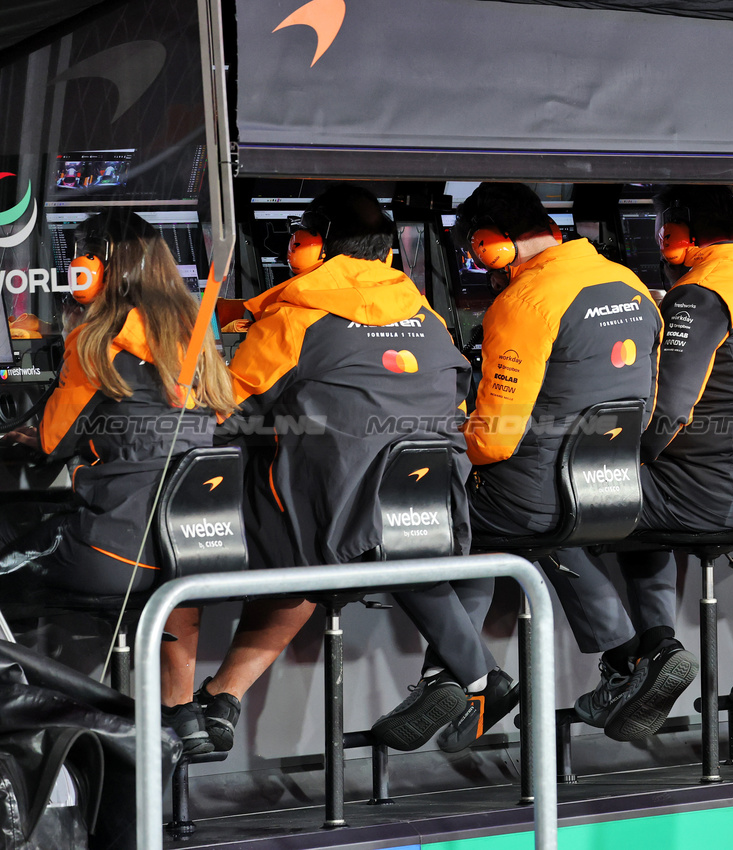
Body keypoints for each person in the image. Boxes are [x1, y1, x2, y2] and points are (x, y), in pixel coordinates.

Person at [175, 184, 476, 755]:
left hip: (325, 531)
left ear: (325, 246)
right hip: (423, 518)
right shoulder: (429, 318)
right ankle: (224, 697)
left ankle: (176, 717)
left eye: (297, 238)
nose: (289, 249)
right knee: (298, 526)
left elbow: (222, 409)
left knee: (183, 523)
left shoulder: (295, 321)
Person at [554, 184, 733, 726]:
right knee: (645, 495)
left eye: (662, 230)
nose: (660, 243)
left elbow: (669, 408)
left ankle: (642, 659)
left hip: (711, 497)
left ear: (681, 230)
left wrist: (631, 454)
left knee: (589, 499)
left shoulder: (701, 293)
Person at [449, 182, 688, 743]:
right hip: (615, 480)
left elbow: (496, 441)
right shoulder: (630, 284)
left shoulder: (524, 302)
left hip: (539, 494)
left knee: (456, 515)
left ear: (491, 244)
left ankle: (465, 679)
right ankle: (635, 659)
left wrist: (452, 425)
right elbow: (650, 400)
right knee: (547, 530)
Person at [0, 210, 237, 752]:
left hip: (116, 557)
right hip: (196, 557)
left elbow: (51, 444)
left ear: (103, 267)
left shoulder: (96, 341)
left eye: (82, 254)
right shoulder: (197, 343)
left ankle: (47, 745)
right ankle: (179, 719)